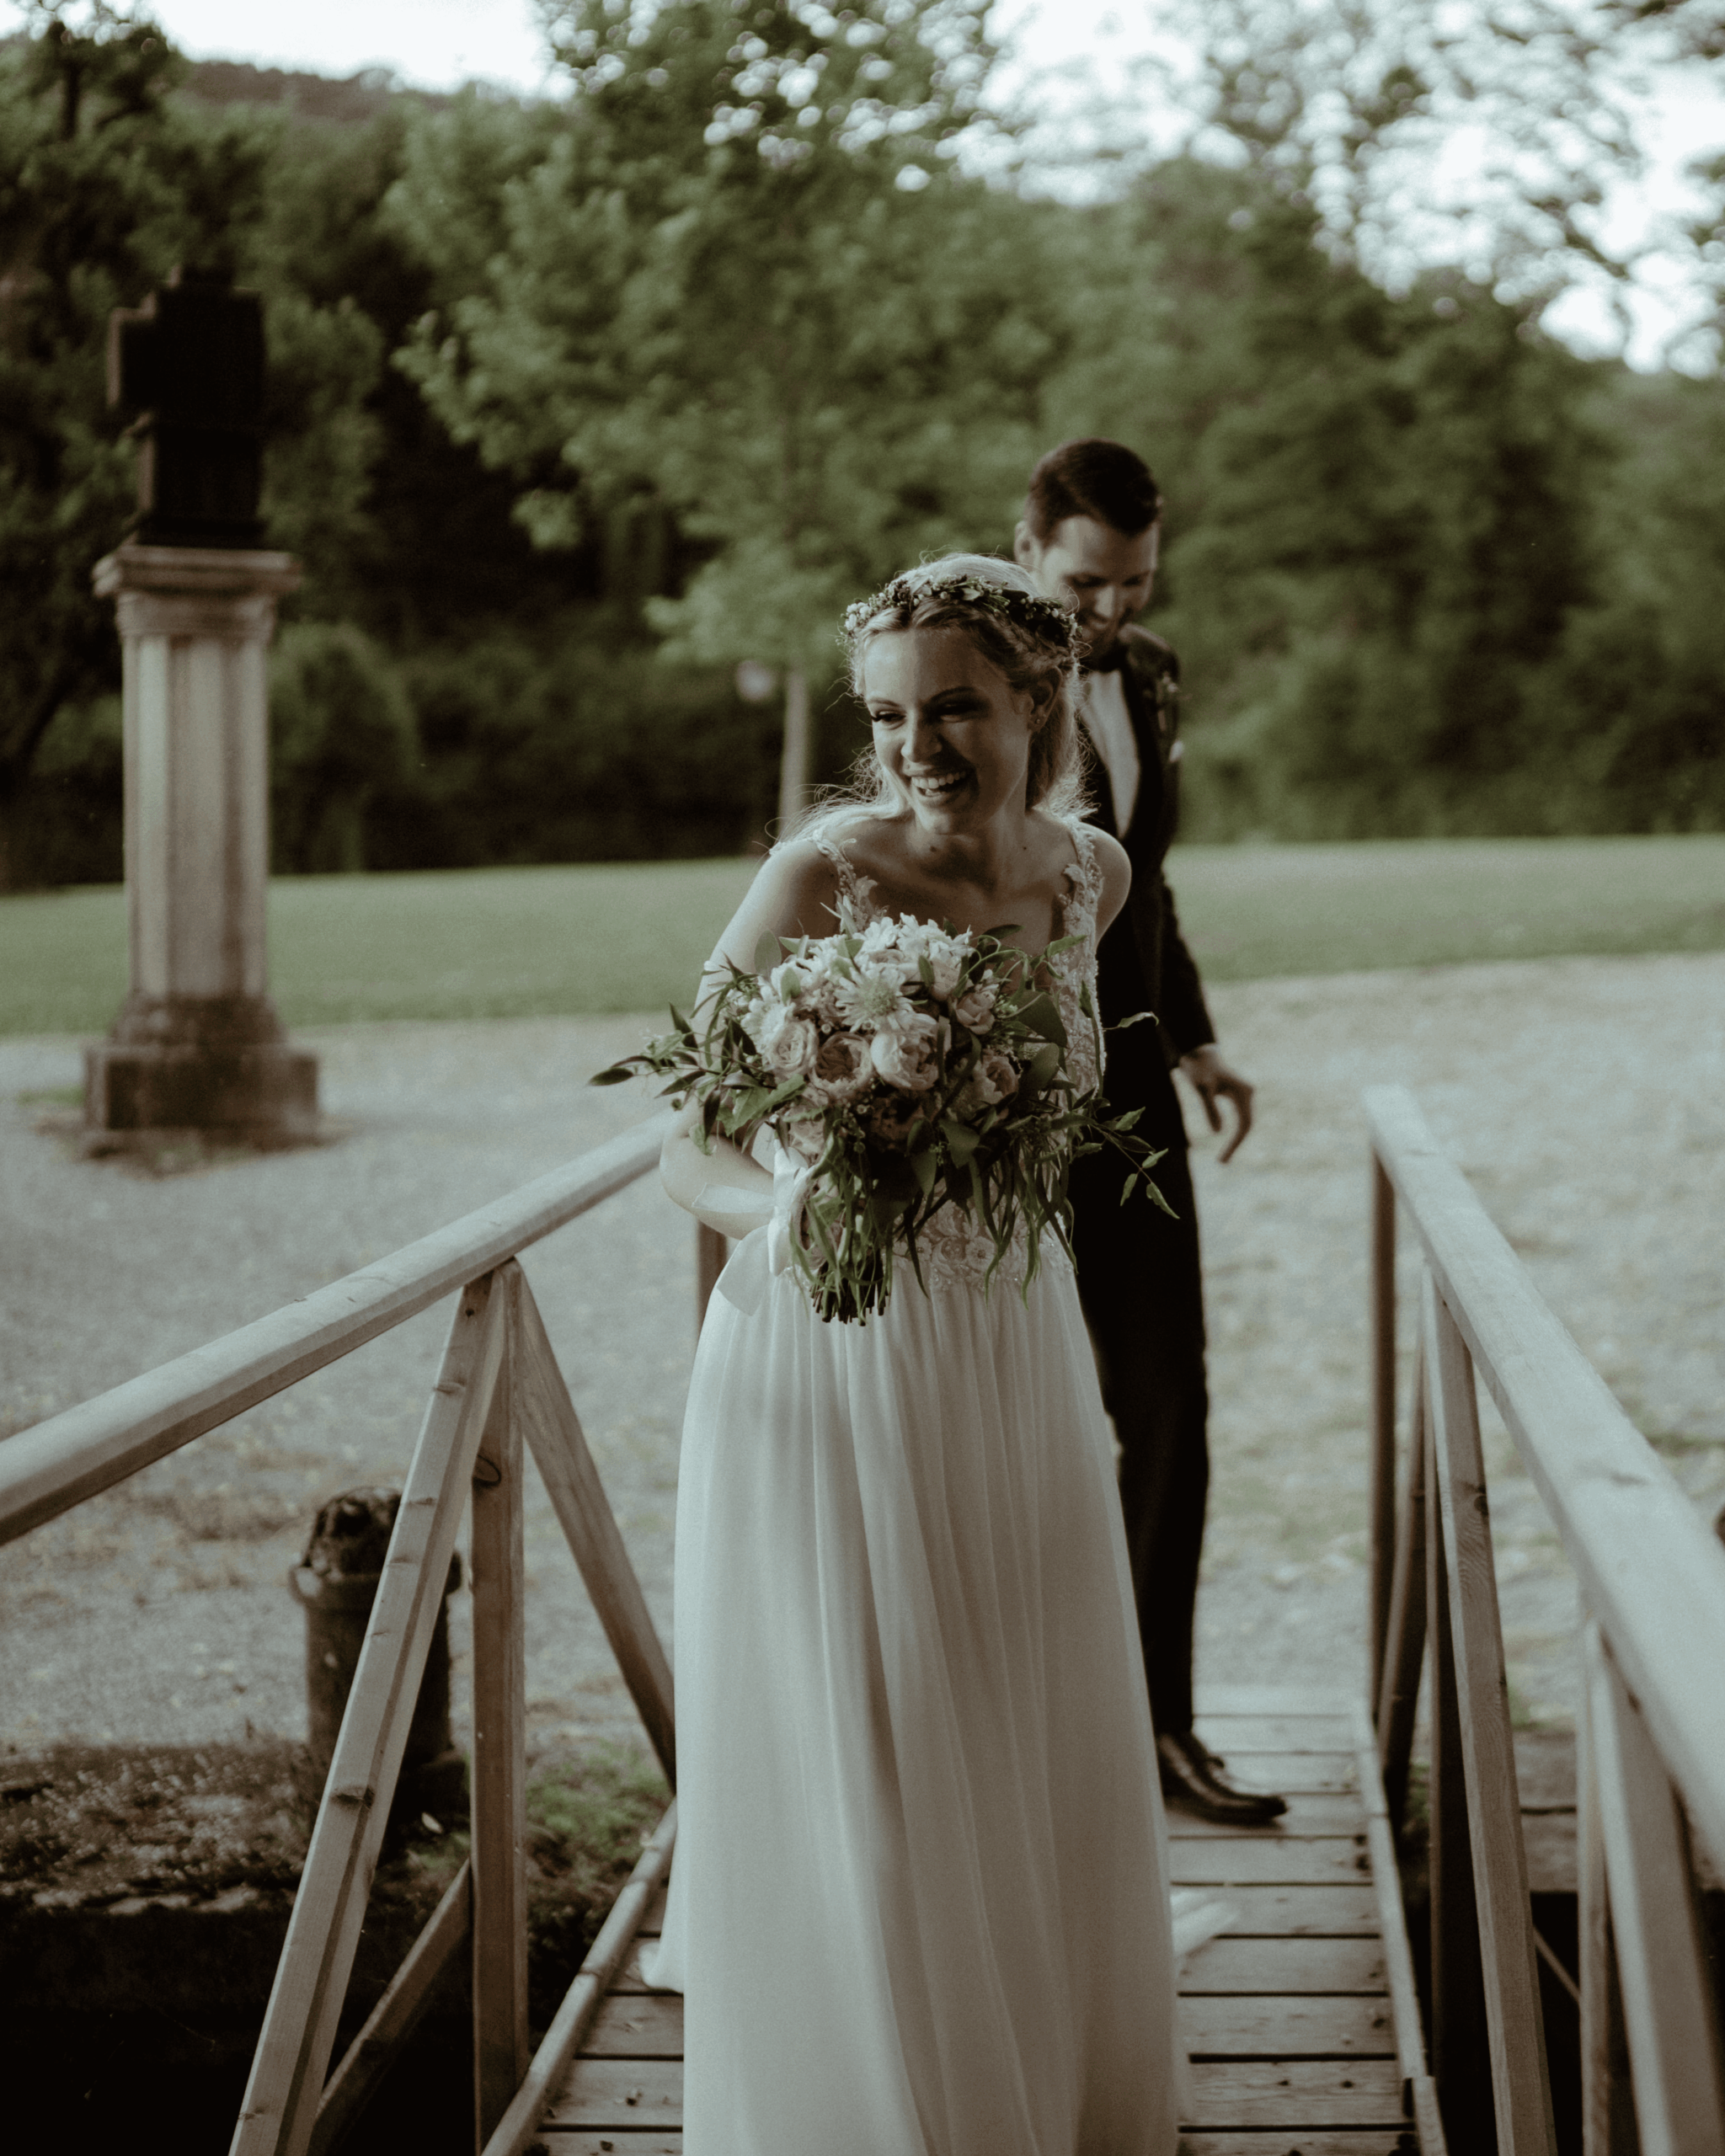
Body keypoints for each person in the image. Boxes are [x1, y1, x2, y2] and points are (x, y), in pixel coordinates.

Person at [647, 557, 1185, 2154]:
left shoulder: (1092, 876)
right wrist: (787, 1218)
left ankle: (1038, 2057)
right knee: (877, 1725)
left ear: (1039, 699)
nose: (918, 744)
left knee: (1015, 1697)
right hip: (833, 1344)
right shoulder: (825, 877)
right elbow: (688, 1142)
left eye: (955, 704)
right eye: (889, 713)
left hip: (1013, 1335)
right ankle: (886, 2094)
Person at [1016, 439, 1286, 1827]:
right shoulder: (957, 679)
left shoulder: (1155, 672)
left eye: (1135, 583)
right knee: (1011, 1417)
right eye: (1086, 582)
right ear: (1029, 549)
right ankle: (1022, 1741)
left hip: (1139, 1101)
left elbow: (1148, 885)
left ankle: (1159, 1728)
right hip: (994, 1112)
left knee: (1170, 1408)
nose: (1112, 611)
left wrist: (1196, 1038)